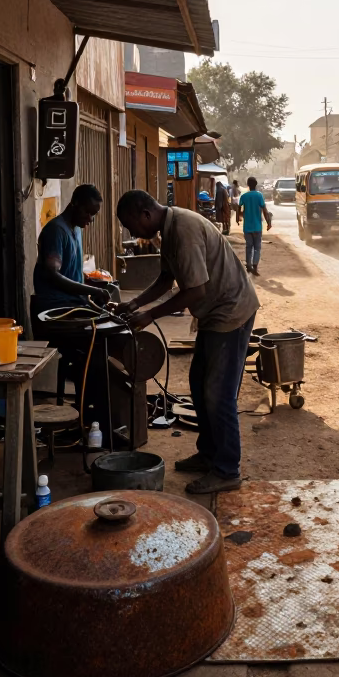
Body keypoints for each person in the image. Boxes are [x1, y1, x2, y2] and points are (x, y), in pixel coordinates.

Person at [116, 189, 258, 494]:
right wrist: (135, 303)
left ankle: (227, 470)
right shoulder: (169, 230)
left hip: (231, 311)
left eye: (131, 226)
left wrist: (150, 315)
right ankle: (209, 454)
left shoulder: (182, 230)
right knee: (198, 382)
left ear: (145, 215)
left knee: (218, 394)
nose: (132, 233)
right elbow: (166, 279)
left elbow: (196, 291)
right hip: (214, 314)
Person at [31, 183, 110, 318]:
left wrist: (88, 281)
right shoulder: (56, 231)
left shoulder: (77, 228)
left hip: (72, 302)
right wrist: (93, 290)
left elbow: (68, 269)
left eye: (93, 214)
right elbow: (53, 275)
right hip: (54, 309)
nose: (90, 219)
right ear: (75, 203)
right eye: (87, 212)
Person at [236, 176, 271, 275]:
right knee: (257, 248)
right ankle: (255, 266)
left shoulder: (244, 196)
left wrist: (237, 218)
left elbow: (238, 208)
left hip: (247, 227)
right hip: (257, 226)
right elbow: (264, 210)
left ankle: (248, 266)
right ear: (256, 185)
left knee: (249, 247)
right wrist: (269, 222)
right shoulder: (259, 196)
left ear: (248, 185)